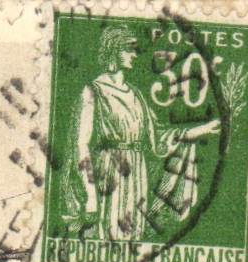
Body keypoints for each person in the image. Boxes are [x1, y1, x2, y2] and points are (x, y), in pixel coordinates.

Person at [62, 24, 221, 244]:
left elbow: (159, 135)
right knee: (109, 235)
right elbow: (81, 145)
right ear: (114, 51)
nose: (134, 55)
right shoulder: (93, 91)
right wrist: (90, 195)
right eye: (128, 50)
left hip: (137, 172)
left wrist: (202, 129)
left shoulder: (135, 94)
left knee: (133, 236)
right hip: (109, 171)